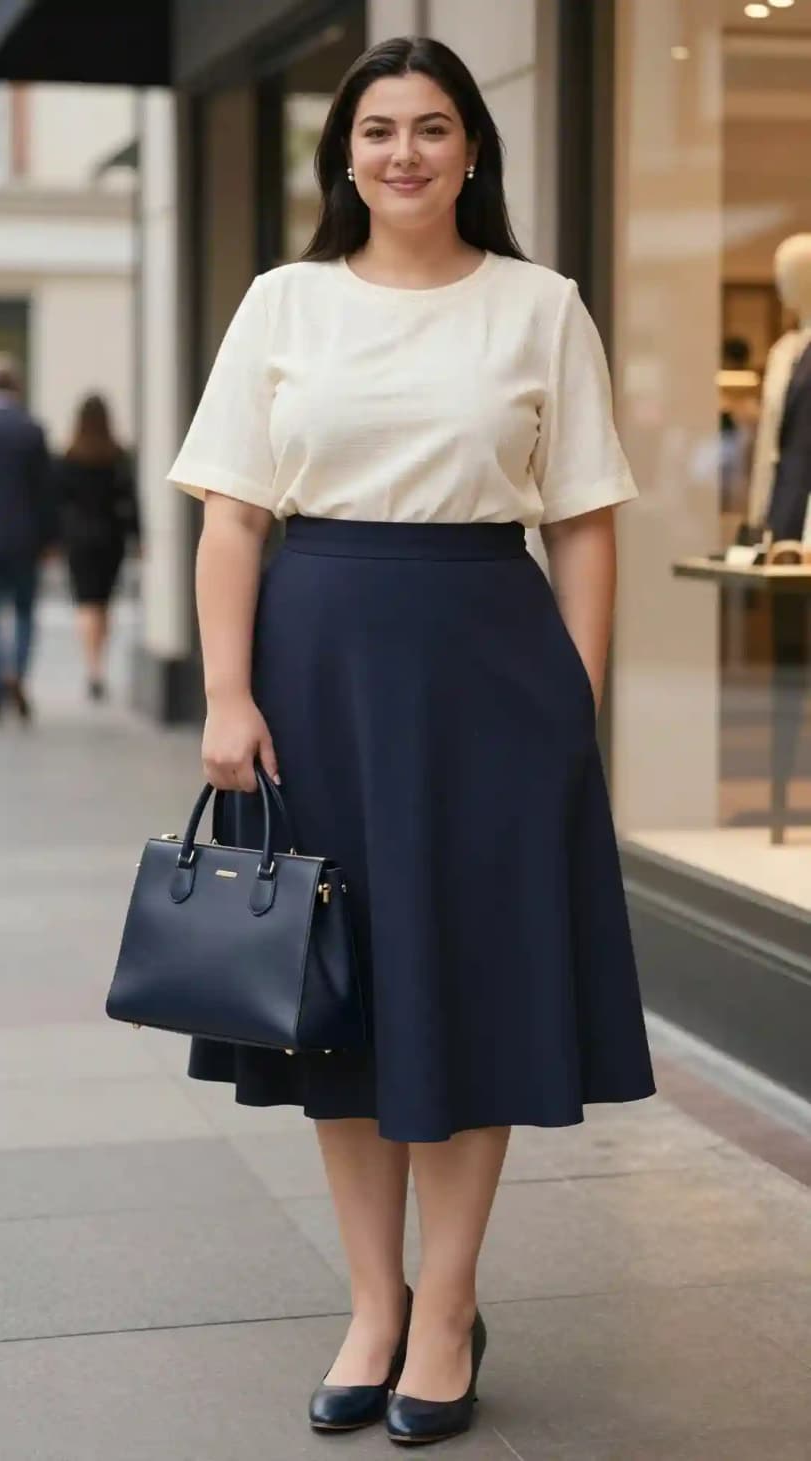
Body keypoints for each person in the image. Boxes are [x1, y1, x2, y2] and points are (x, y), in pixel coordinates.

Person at [167, 36, 657, 1447]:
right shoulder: (283, 302)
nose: (403, 154)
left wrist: (577, 697)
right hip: (311, 669)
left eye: (433, 129)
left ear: (475, 152)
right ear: (343, 155)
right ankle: (372, 1303)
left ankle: (447, 1307)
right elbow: (235, 515)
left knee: (473, 985)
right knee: (340, 997)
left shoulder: (540, 306)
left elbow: (581, 519)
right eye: (378, 130)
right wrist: (223, 691)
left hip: (489, 675)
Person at [0, 351, 54, 723]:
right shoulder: (32, 429)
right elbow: (45, 491)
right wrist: (50, 540)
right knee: (25, 613)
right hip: (25, 540)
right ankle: (18, 675)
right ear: (17, 385)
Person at [54, 394, 139, 700]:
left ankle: (93, 666)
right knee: (104, 603)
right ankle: (98, 663)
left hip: (78, 539)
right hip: (110, 538)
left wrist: (54, 539)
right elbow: (130, 501)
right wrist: (137, 537)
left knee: (86, 602)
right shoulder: (117, 456)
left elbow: (57, 502)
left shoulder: (68, 457)